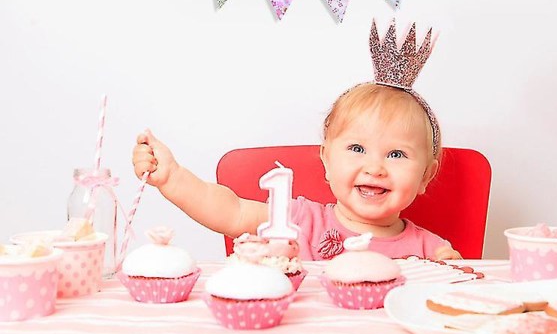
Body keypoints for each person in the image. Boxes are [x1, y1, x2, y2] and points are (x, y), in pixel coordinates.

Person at [132, 20, 461, 260]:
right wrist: (172, 178)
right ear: (327, 161)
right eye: (357, 148)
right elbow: (229, 211)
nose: (374, 168)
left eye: (397, 154)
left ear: (426, 176)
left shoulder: (431, 252)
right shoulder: (300, 221)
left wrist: (453, 274)